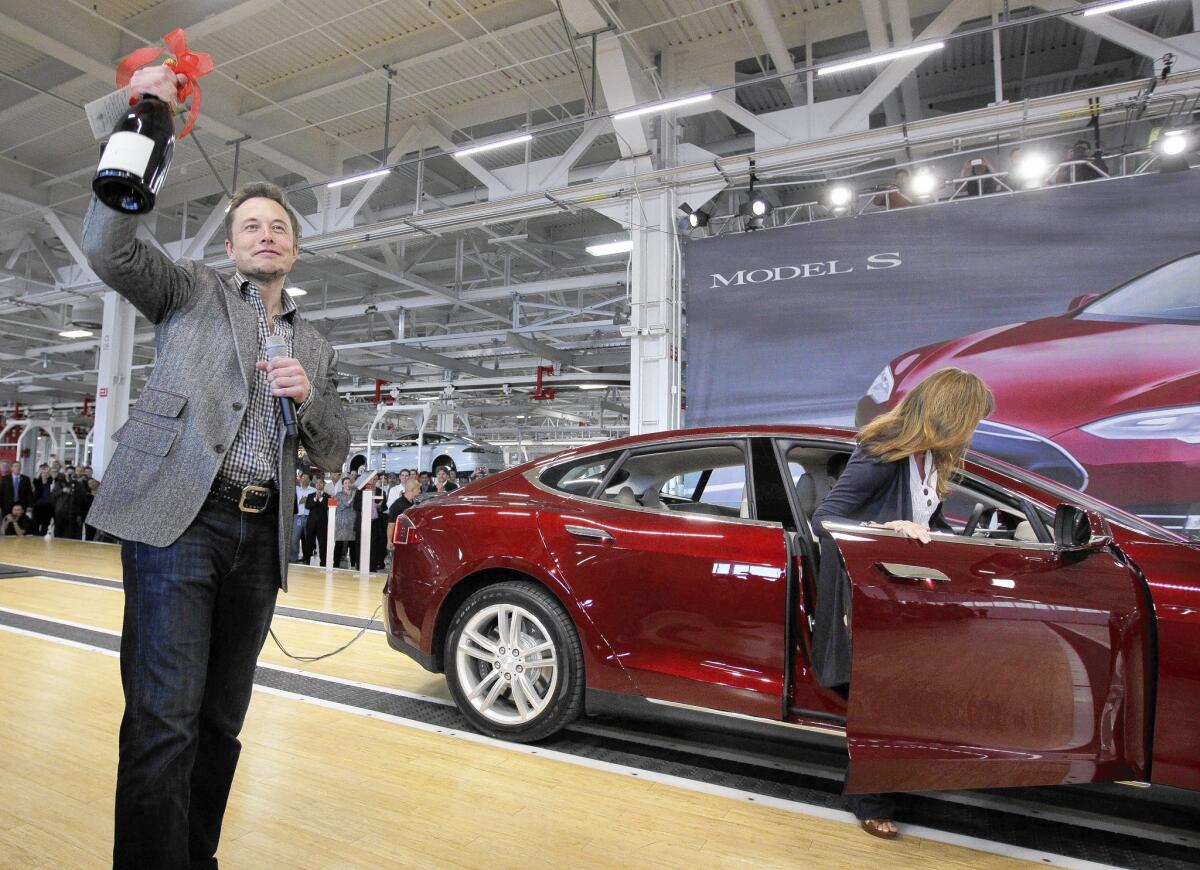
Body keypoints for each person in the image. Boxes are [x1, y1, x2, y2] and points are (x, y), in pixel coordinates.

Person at [81, 61, 349, 870]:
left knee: (220, 724)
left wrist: (310, 401)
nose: (267, 233)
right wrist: (148, 114)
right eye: (252, 226)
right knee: (163, 718)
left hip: (259, 541)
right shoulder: (191, 292)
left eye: (279, 227)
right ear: (231, 246)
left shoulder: (316, 345)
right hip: (179, 522)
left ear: (294, 249)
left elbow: (335, 451)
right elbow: (106, 242)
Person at [810, 367, 995, 841]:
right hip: (865, 596)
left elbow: (927, 521)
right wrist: (888, 528)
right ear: (949, 414)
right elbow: (826, 518)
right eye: (971, 419)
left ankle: (886, 785)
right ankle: (868, 800)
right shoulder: (883, 450)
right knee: (879, 700)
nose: (972, 431)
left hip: (898, 596)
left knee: (897, 696)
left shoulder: (929, 457)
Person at [386, 478, 424, 552]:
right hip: (400, 541)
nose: (420, 491)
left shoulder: (415, 503)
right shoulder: (397, 505)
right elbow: (391, 524)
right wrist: (389, 541)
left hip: (412, 540)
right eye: (418, 489)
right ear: (412, 490)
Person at [304, 476, 331, 565]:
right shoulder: (310, 495)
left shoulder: (328, 496)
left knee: (323, 544)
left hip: (322, 524)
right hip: (311, 523)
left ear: (324, 484)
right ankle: (307, 560)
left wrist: (320, 498)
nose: (319, 484)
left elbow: (326, 507)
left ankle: (323, 562)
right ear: (315, 485)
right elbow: (307, 506)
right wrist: (315, 498)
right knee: (309, 542)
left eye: (321, 483)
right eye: (317, 483)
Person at [332, 477, 358, 568]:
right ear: (343, 485)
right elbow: (344, 505)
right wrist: (352, 497)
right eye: (346, 483)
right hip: (341, 523)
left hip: (352, 522)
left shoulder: (356, 493)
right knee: (339, 544)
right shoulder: (338, 495)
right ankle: (335, 564)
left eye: (349, 482)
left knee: (353, 544)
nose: (348, 484)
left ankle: (354, 564)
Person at [293, 472, 315, 562]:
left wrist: (309, 501)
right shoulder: (296, 489)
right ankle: (293, 558)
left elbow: (315, 503)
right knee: (294, 538)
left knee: (308, 539)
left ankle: (307, 558)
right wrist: (300, 502)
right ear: (300, 479)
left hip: (309, 517)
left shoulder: (313, 490)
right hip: (297, 517)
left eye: (307, 478)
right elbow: (292, 501)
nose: (305, 480)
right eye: (303, 478)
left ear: (309, 480)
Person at [32, 463, 54, 535]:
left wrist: (48, 471)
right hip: (38, 505)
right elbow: (35, 480)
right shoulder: (37, 481)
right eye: (43, 471)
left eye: (46, 471)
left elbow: (52, 475)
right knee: (36, 523)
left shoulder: (51, 481)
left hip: (48, 506)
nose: (45, 473)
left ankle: (42, 538)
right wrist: (40, 471)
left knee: (45, 524)